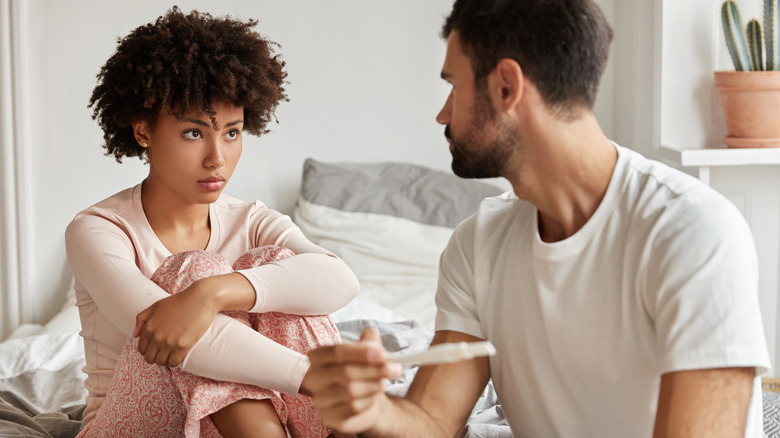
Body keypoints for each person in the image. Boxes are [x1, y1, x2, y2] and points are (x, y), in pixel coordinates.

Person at [304, 0, 771, 436]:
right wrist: (374, 408)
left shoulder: (692, 232)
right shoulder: (477, 243)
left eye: (453, 84)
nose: (442, 113)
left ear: (507, 87)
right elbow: (431, 417)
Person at [65, 7, 358, 437]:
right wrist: (308, 376)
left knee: (273, 261)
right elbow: (169, 333)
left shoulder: (251, 220)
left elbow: (340, 280)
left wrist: (214, 293)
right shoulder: (97, 229)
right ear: (143, 130)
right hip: (132, 428)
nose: (217, 158)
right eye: (193, 132)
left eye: (232, 133)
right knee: (191, 270)